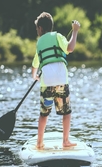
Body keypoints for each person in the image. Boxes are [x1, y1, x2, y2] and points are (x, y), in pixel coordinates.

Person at [31, 12, 80, 149]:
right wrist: (75, 31)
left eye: (37, 29)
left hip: (46, 82)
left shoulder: (39, 43)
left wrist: (34, 75)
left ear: (40, 28)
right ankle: (65, 141)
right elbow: (70, 48)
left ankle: (39, 143)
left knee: (44, 114)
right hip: (61, 80)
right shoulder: (58, 36)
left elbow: (35, 64)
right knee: (66, 112)